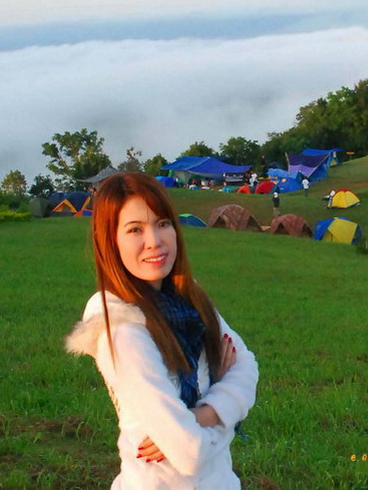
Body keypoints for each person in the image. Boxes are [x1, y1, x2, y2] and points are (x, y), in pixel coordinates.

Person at [66, 172, 258, 488]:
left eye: (163, 223)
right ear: (110, 241)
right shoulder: (120, 326)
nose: (155, 241)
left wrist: (202, 415)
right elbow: (188, 453)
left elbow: (247, 366)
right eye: (135, 229)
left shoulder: (188, 297)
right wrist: (227, 406)